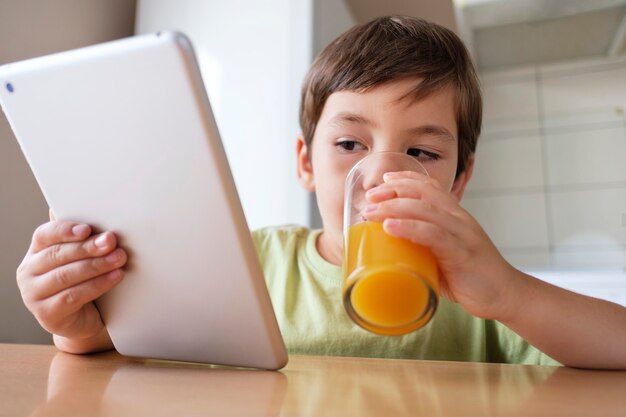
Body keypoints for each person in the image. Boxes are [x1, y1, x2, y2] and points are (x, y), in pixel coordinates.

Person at [16, 16, 626, 369]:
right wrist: (75, 323)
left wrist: (511, 294)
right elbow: (132, 355)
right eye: (349, 145)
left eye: (421, 153)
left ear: (457, 181)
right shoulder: (248, 264)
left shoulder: (475, 290)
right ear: (306, 163)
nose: (382, 176)